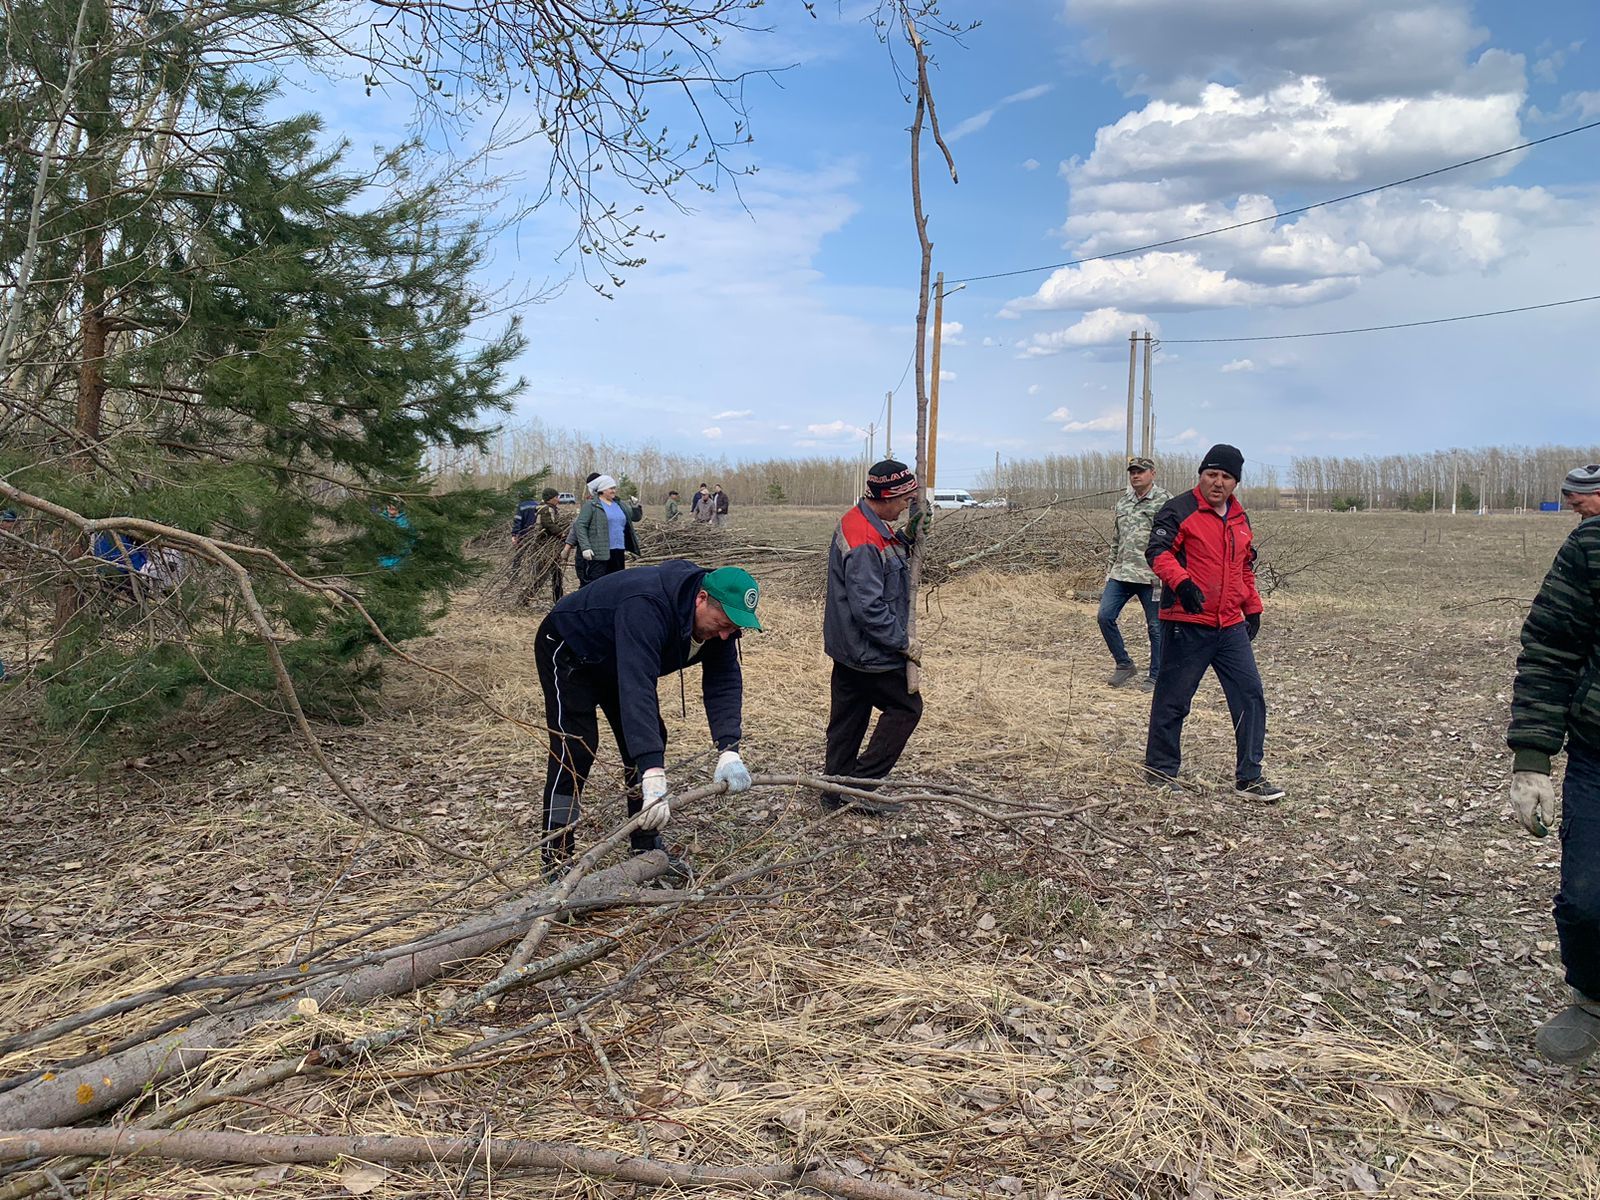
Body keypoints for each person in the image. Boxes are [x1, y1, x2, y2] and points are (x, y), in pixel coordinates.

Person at [535, 561, 761, 872]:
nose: (726, 635)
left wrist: (728, 749)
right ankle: (556, 855)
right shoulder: (647, 605)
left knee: (647, 738)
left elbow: (723, 682)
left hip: (619, 655)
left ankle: (644, 842)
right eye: (723, 624)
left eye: (734, 628)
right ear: (702, 598)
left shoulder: (722, 627)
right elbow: (638, 685)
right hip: (571, 649)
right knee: (575, 751)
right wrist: (653, 770)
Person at [1507, 463, 1600, 1063]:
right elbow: (1551, 646)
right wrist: (1532, 759)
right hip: (1598, 751)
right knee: (1587, 898)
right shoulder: (1592, 545)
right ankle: (1591, 998)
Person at [1142, 444, 1283, 801]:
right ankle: (1160, 770)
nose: (1217, 482)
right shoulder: (1178, 510)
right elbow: (1157, 553)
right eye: (1212, 474)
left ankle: (1249, 777)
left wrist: (1253, 606)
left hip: (1230, 625)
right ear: (1201, 475)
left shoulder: (1239, 517)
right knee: (1174, 699)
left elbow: (1243, 566)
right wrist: (1182, 582)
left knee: (1250, 696)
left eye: (1226, 477)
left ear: (1236, 481)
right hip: (1186, 621)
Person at [821, 459, 927, 815]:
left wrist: (907, 538)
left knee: (849, 718)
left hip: (848, 647)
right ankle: (863, 788)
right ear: (886, 497)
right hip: (869, 650)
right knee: (906, 708)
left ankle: (833, 788)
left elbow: (888, 562)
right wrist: (903, 642)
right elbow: (869, 608)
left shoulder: (864, 523)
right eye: (904, 500)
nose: (906, 505)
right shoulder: (865, 540)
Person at [1101, 456, 1172, 692]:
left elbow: (1174, 540)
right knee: (1105, 616)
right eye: (1132, 472)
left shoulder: (1165, 501)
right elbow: (1116, 539)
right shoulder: (1123, 503)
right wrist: (1110, 569)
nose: (1135, 476)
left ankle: (1156, 674)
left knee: (1155, 626)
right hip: (1121, 573)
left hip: (1152, 576)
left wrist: (1170, 572)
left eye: (1140, 471)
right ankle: (1124, 664)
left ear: (1153, 473)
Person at [574, 474, 640, 587]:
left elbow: (635, 517)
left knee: (616, 584)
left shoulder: (620, 505)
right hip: (599, 553)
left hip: (618, 550)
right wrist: (585, 547)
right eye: (611, 488)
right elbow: (580, 526)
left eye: (614, 488)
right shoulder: (592, 505)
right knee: (597, 585)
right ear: (602, 490)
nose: (614, 491)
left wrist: (635, 505)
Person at [518, 487, 566, 606]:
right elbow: (548, 524)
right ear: (550, 498)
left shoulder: (548, 508)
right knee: (543, 575)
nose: (557, 499)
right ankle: (525, 598)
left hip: (549, 548)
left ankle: (558, 599)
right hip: (545, 546)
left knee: (554, 574)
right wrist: (561, 533)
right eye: (556, 497)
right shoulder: (546, 509)